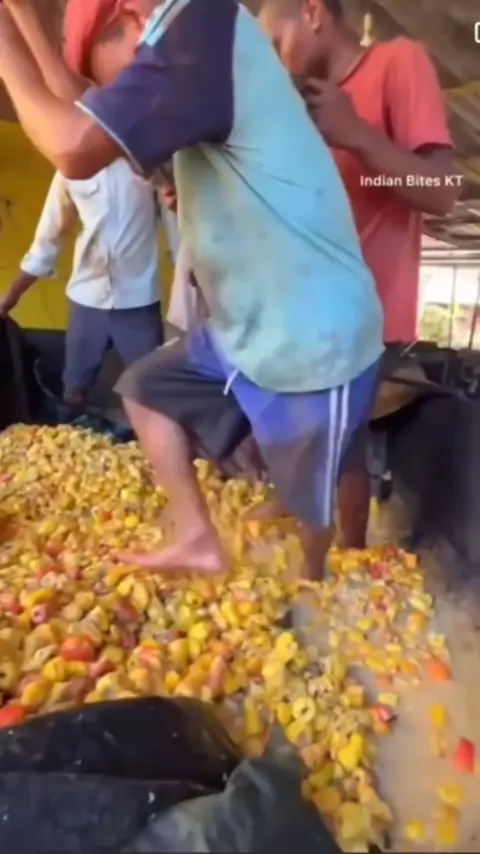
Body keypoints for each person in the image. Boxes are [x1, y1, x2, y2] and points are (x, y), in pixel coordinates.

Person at [0, 0, 384, 580]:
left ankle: (317, 584)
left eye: (115, 76)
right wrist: (23, 18)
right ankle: (200, 538)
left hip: (311, 325)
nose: (121, 95)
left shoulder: (199, 23)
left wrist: (5, 45)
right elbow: (83, 103)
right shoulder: (193, 65)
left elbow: (75, 145)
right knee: (145, 389)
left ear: (132, 21)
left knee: (313, 492)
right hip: (248, 320)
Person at [256, 0, 458, 547]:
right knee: (310, 437)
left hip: (368, 314)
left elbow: (443, 192)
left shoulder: (398, 62)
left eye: (276, 44)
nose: (273, 62)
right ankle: (318, 533)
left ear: (313, 12)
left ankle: (347, 560)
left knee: (336, 444)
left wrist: (358, 134)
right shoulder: (298, 109)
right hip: (305, 312)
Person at [0, 0, 164, 409]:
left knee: (151, 392)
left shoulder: (149, 160)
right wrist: (10, 297)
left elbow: (184, 227)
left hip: (138, 300)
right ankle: (74, 426)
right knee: (74, 386)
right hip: (86, 296)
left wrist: (195, 299)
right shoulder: (69, 172)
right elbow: (48, 239)